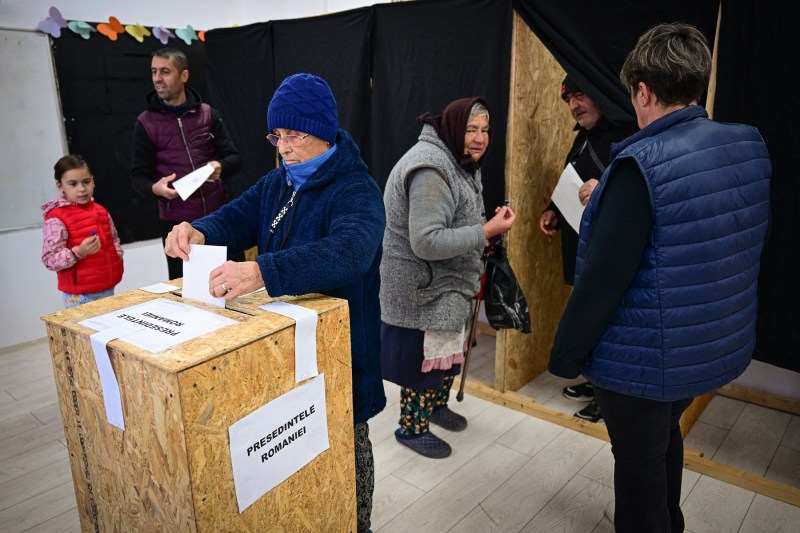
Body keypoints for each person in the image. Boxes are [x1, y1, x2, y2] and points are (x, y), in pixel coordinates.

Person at [548, 23, 770, 532]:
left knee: (639, 470)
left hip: (645, 359)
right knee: (663, 442)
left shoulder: (639, 164)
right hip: (708, 343)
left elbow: (603, 282)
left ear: (643, 91)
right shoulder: (747, 144)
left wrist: (565, 355)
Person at [163, 73, 385, 533]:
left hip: (341, 356)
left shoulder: (356, 190)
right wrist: (200, 230)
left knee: (348, 461)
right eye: (276, 136)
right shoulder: (278, 180)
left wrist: (263, 271)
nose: (283, 147)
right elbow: (238, 216)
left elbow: (351, 251)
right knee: (297, 466)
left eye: (294, 135)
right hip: (287, 351)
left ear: (323, 131)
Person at [380, 97, 516, 459]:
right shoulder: (431, 170)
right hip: (424, 289)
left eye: (485, 130)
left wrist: (485, 230)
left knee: (447, 355)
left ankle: (436, 408)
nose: (479, 138)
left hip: (449, 286)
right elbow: (426, 241)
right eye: (471, 129)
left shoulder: (459, 161)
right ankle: (411, 427)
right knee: (425, 365)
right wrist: (485, 231)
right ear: (455, 128)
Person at [539, 76, 638, 423]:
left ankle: (606, 394)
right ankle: (595, 382)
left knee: (606, 317)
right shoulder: (585, 136)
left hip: (607, 253)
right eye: (569, 100)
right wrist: (552, 210)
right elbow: (572, 176)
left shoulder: (625, 136)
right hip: (582, 243)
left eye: (581, 96)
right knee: (589, 314)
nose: (574, 106)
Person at [130, 47, 242, 280]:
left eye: (165, 71)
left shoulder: (208, 114)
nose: (158, 78)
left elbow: (234, 159)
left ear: (184, 75)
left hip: (219, 216)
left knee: (234, 286)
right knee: (187, 292)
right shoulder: (146, 123)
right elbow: (137, 176)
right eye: (154, 72)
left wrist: (220, 167)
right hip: (177, 225)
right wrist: (155, 189)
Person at [42, 155, 124, 308]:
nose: (81, 189)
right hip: (79, 296)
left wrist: (117, 256)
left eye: (86, 182)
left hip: (107, 287)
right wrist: (78, 252)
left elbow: (114, 239)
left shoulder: (101, 210)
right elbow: (49, 259)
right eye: (73, 184)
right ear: (60, 186)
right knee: (86, 331)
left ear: (93, 180)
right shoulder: (56, 218)